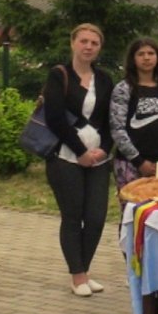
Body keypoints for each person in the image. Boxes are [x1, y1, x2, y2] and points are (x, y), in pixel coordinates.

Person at [42, 23, 115, 297]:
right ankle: (78, 275)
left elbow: (111, 120)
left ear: (99, 48)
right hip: (65, 158)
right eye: (83, 41)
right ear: (73, 43)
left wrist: (104, 149)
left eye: (94, 43)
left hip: (98, 159)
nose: (88, 47)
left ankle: (85, 267)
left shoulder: (105, 79)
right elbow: (55, 119)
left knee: (96, 217)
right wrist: (80, 152)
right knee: (72, 217)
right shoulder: (58, 75)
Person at [111, 37, 158, 197]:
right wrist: (139, 161)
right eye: (141, 54)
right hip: (129, 164)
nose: (146, 57)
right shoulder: (124, 89)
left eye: (151, 53)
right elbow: (117, 129)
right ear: (133, 58)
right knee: (133, 213)